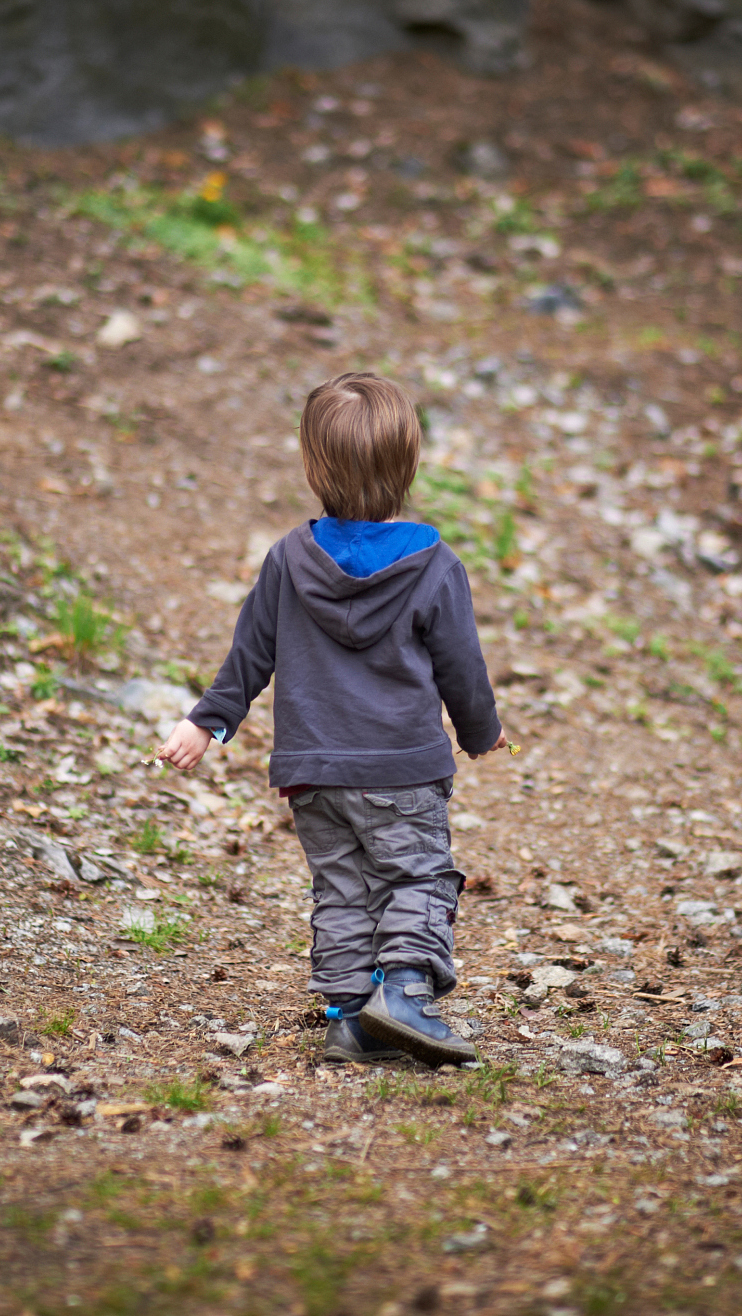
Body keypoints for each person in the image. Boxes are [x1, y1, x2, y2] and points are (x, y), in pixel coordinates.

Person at [155, 371, 506, 1067]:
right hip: (401, 767)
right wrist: (478, 731)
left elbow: (249, 654)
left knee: (343, 889)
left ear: (313, 466)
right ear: (408, 464)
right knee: (418, 877)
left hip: (313, 772)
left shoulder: (290, 559)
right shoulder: (434, 566)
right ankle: (404, 993)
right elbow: (461, 665)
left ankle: (348, 1018)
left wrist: (207, 722)